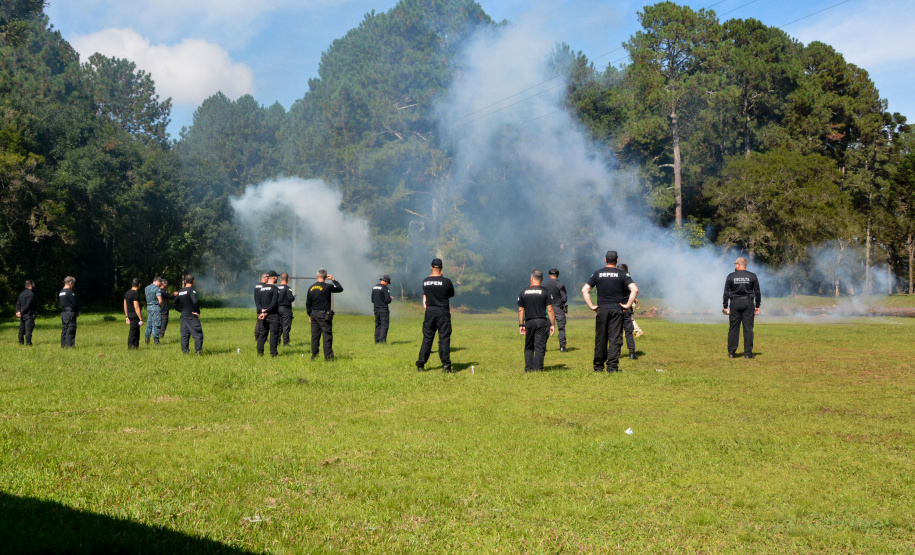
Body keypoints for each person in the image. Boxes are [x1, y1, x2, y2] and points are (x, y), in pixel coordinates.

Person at [581, 251, 638, 372]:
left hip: (602, 310)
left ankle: (598, 367)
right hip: (616, 310)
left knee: (601, 338)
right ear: (617, 260)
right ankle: (612, 368)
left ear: (605, 260)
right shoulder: (622, 274)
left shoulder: (597, 273)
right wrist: (628, 305)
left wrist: (591, 305)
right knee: (615, 339)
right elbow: (635, 289)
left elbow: (585, 290)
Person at [416, 258, 455, 373]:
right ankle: (446, 366)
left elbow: (426, 294)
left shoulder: (425, 281)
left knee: (427, 338)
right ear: (442, 268)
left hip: (429, 313)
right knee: (444, 338)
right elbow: (450, 294)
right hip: (442, 312)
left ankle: (420, 364)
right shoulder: (446, 282)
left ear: (431, 267)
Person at [518, 270, 556, 372]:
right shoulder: (545, 291)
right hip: (541, 322)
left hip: (529, 322)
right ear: (542, 280)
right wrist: (552, 324)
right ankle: (537, 369)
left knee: (529, 346)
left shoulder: (523, 292)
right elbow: (550, 309)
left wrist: (521, 324)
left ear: (531, 278)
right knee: (539, 347)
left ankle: (528, 368)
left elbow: (521, 309)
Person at [723, 256, 761, 358]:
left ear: (739, 265)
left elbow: (726, 292)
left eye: (735, 264)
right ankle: (748, 354)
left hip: (735, 303)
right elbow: (757, 292)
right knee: (748, 329)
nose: (734, 266)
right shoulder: (752, 276)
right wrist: (757, 305)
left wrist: (725, 306)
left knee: (733, 328)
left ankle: (731, 352)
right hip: (748, 303)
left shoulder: (731, 276)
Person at [305, 268, 343, 361]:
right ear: (326, 277)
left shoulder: (311, 287)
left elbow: (308, 304)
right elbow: (340, 288)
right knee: (327, 335)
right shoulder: (328, 286)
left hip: (314, 314)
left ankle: (314, 355)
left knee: (315, 336)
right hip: (324, 315)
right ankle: (328, 357)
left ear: (317, 276)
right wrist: (333, 280)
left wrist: (310, 314)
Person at [173, 274, 203, 354]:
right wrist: (197, 312)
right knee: (198, 334)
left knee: (185, 335)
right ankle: (198, 352)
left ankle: (185, 352)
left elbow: (174, 303)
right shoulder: (191, 291)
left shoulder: (181, 292)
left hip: (183, 316)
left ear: (185, 281)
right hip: (192, 316)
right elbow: (195, 301)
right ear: (193, 281)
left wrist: (181, 310)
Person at [256, 270, 281, 357]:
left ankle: (260, 353)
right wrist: (267, 312)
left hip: (262, 315)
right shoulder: (275, 289)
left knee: (262, 334)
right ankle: (273, 354)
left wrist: (262, 311)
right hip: (273, 315)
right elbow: (274, 303)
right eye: (277, 277)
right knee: (274, 334)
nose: (277, 278)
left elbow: (257, 302)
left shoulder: (261, 288)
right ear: (273, 277)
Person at [543, 268, 568, 352]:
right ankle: (562, 347)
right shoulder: (560, 284)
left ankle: (543, 347)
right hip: (558, 308)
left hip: (548, 308)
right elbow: (564, 298)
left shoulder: (545, 285)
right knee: (561, 328)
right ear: (558, 275)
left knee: (546, 327)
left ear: (549, 275)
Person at [618, 264, 638, 360]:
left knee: (617, 332)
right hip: (627, 308)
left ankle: (616, 353)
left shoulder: (615, 280)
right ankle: (631, 353)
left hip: (617, 308)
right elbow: (633, 290)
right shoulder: (627, 279)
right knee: (629, 332)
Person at [371, 275, 393, 344]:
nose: (387, 284)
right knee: (384, 325)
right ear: (386, 281)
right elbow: (387, 300)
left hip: (376, 309)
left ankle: (377, 340)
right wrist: (391, 299)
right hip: (383, 309)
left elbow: (372, 300)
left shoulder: (374, 287)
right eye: (388, 283)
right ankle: (382, 341)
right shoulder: (385, 288)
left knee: (378, 325)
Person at [59, 276, 79, 348]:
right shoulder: (69, 292)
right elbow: (74, 303)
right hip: (70, 312)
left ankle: (63, 345)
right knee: (71, 329)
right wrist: (77, 311)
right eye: (73, 284)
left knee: (64, 329)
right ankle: (70, 346)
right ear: (70, 283)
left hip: (64, 312)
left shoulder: (61, 292)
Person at [15, 280, 37, 346]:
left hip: (22, 315)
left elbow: (18, 303)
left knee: (21, 329)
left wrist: (18, 311)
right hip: (28, 314)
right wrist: (21, 312)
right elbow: (28, 305)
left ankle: (20, 342)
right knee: (28, 330)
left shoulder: (22, 293)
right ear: (30, 285)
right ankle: (28, 343)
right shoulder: (31, 294)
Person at [277, 272, 296, 347]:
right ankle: (286, 343)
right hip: (286, 310)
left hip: (277, 309)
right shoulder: (288, 288)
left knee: (279, 326)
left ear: (281, 279)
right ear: (288, 279)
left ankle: (277, 341)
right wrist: (294, 297)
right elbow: (291, 298)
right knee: (286, 326)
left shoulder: (276, 288)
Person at [124, 278, 143, 349]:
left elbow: (125, 305)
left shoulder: (127, 293)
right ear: (139, 284)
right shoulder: (135, 293)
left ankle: (135, 347)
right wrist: (140, 318)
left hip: (130, 315)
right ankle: (131, 346)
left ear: (132, 284)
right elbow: (136, 307)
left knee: (135, 331)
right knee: (134, 332)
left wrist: (127, 316)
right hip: (135, 316)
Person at [144, 277, 164, 345]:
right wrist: (161, 306)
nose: (160, 284)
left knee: (149, 323)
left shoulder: (147, 288)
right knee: (157, 324)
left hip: (149, 306)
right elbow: (160, 300)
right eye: (160, 283)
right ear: (158, 281)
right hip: (156, 307)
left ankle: (147, 337)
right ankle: (156, 340)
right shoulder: (157, 288)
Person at [253, 272, 268, 340]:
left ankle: (258, 336)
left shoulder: (257, 285)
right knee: (262, 322)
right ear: (264, 278)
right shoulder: (264, 286)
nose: (268, 279)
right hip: (263, 306)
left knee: (259, 321)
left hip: (258, 305)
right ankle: (259, 336)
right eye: (267, 277)